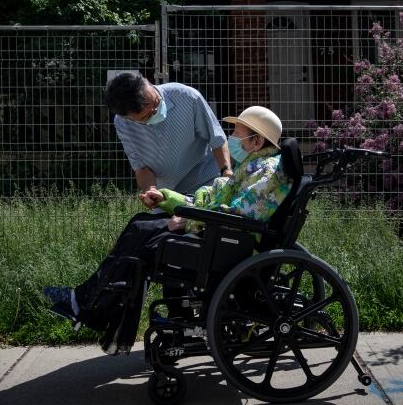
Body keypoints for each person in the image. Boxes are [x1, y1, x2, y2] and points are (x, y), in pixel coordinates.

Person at [43, 106, 292, 354]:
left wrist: (187, 222)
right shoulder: (252, 164)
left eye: (237, 133)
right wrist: (166, 198)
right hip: (217, 232)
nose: (232, 138)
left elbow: (238, 217)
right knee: (141, 223)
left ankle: (91, 305)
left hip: (225, 240)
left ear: (257, 140)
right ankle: (90, 301)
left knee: (147, 244)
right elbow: (216, 201)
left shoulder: (266, 172)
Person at [104, 72, 232, 194]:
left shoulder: (187, 96)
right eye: (147, 116)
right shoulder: (122, 124)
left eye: (156, 102)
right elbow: (142, 168)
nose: (156, 111)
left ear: (148, 82)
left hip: (207, 182)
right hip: (167, 194)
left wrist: (226, 172)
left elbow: (217, 139)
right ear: (128, 118)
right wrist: (150, 191)